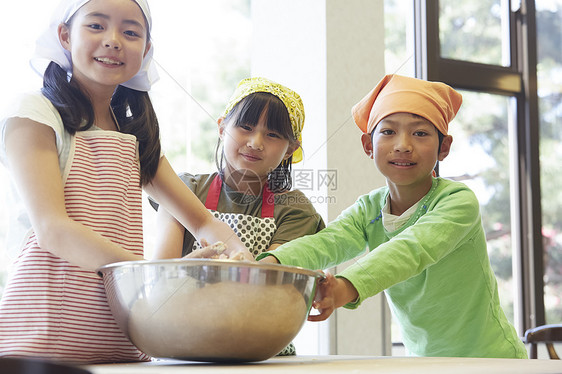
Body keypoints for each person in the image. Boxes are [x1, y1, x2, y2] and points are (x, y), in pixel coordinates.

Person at [0, 0, 251, 364]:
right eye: (96, 26)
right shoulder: (35, 115)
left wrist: (239, 256)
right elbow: (53, 229)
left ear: (146, 50)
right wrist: (155, 274)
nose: (113, 40)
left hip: (118, 340)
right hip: (40, 339)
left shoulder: (135, 134)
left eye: (131, 32)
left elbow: (203, 222)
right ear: (65, 36)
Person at [258, 74, 528, 359]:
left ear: (444, 147)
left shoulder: (457, 201)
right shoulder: (369, 209)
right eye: (388, 132)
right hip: (424, 361)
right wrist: (269, 264)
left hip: (491, 358)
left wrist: (346, 285)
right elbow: (327, 242)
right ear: (368, 145)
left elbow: (411, 249)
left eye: (420, 133)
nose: (403, 145)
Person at [150, 77, 325, 355]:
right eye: (245, 127)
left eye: (273, 135)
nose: (255, 143)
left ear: (291, 148)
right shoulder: (184, 190)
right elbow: (160, 275)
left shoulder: (296, 209)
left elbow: (269, 290)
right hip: (183, 343)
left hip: (262, 348)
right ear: (222, 128)